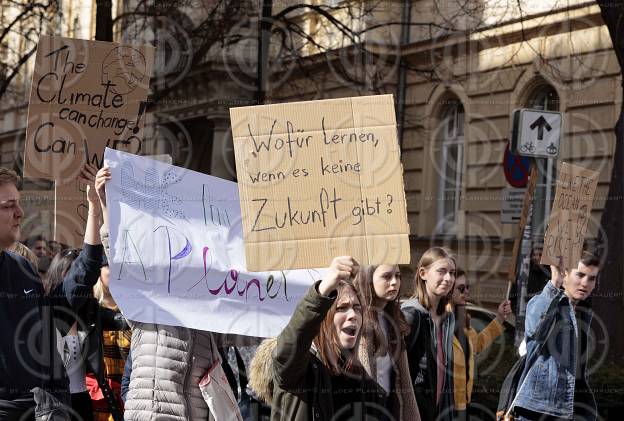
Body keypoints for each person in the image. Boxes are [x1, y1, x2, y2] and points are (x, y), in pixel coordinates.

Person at [92, 164, 249, 421]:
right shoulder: (148, 300)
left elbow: (249, 329)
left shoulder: (209, 311)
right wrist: (108, 207)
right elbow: (121, 258)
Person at [0, 167, 102, 421]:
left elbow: (65, 300)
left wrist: (94, 208)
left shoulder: (22, 267)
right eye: (8, 205)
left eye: (19, 203)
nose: (20, 213)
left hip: (43, 411)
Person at [271, 256, 388, 420]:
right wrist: (323, 289)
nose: (353, 315)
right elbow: (295, 338)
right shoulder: (299, 369)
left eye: (357, 307)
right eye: (342, 308)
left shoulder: (364, 383)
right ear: (323, 318)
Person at [512, 251, 600, 421]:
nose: (585, 283)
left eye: (591, 278)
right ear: (565, 273)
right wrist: (554, 283)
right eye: (580, 275)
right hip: (538, 409)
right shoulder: (545, 301)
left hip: (571, 408)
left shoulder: (584, 313)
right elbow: (534, 328)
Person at [353, 264, 420, 420]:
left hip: (390, 405)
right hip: (368, 407)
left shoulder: (395, 318)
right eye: (386, 276)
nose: (394, 282)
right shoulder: (358, 318)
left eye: (397, 276)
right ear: (368, 280)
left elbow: (405, 379)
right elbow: (364, 381)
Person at [401, 246, 456, 421]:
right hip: (414, 412)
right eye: (442, 271)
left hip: (437, 411)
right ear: (423, 273)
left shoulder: (448, 319)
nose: (448, 278)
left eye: (452, 273)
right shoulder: (410, 314)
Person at [450, 268, 511, 420]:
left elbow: (476, 345)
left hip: (463, 402)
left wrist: (499, 318)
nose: (467, 292)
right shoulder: (440, 321)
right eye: (461, 288)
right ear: (448, 290)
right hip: (446, 404)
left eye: (468, 287)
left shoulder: (462, 319)